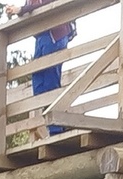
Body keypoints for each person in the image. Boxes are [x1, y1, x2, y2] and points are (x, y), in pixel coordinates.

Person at [5, 0, 76, 137]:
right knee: (39, 83)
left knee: (50, 81)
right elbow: (31, 9)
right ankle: (56, 125)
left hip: (54, 33)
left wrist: (21, 9)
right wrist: (17, 11)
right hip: (42, 36)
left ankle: (57, 128)